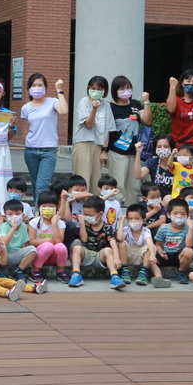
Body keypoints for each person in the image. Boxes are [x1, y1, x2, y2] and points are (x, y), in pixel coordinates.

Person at [105, 76, 152, 206]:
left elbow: (147, 121)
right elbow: (106, 131)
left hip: (135, 153)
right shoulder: (110, 107)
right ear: (115, 91)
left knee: (135, 186)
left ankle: (133, 212)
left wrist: (146, 102)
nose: (126, 91)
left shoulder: (135, 105)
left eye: (128, 88)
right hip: (117, 152)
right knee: (118, 185)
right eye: (122, 89)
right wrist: (104, 150)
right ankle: (114, 212)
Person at [20, 74, 68, 198]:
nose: (37, 88)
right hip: (30, 150)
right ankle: (39, 214)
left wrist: (60, 90)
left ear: (45, 87)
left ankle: (39, 214)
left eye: (40, 85)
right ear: (29, 89)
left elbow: (63, 110)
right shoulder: (26, 108)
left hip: (48, 150)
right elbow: (27, 127)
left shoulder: (53, 102)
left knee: (42, 186)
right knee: (36, 185)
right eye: (33, 85)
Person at [68, 196, 126, 290]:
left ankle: (115, 276)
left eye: (90, 215)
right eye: (85, 214)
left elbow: (113, 242)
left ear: (100, 214)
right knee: (77, 246)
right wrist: (82, 224)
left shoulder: (107, 227)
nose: (87, 217)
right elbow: (84, 240)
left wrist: (116, 258)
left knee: (108, 250)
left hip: (100, 256)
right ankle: (76, 274)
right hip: (86, 254)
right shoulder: (86, 225)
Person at [71, 75, 114, 195]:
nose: (96, 91)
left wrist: (105, 150)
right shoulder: (84, 102)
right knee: (82, 181)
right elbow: (89, 124)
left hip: (98, 146)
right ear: (88, 88)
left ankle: (93, 209)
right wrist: (94, 108)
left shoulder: (107, 106)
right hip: (83, 143)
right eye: (93, 88)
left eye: (100, 89)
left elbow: (108, 130)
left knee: (96, 182)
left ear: (105, 91)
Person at [154, 197, 193, 285]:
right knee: (150, 257)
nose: (179, 216)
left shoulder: (187, 228)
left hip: (179, 257)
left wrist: (191, 227)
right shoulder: (164, 228)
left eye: (183, 214)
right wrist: (161, 252)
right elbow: (158, 244)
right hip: (165, 256)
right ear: (168, 215)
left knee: (189, 251)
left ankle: (181, 272)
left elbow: (189, 245)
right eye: (175, 213)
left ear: (187, 216)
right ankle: (158, 277)